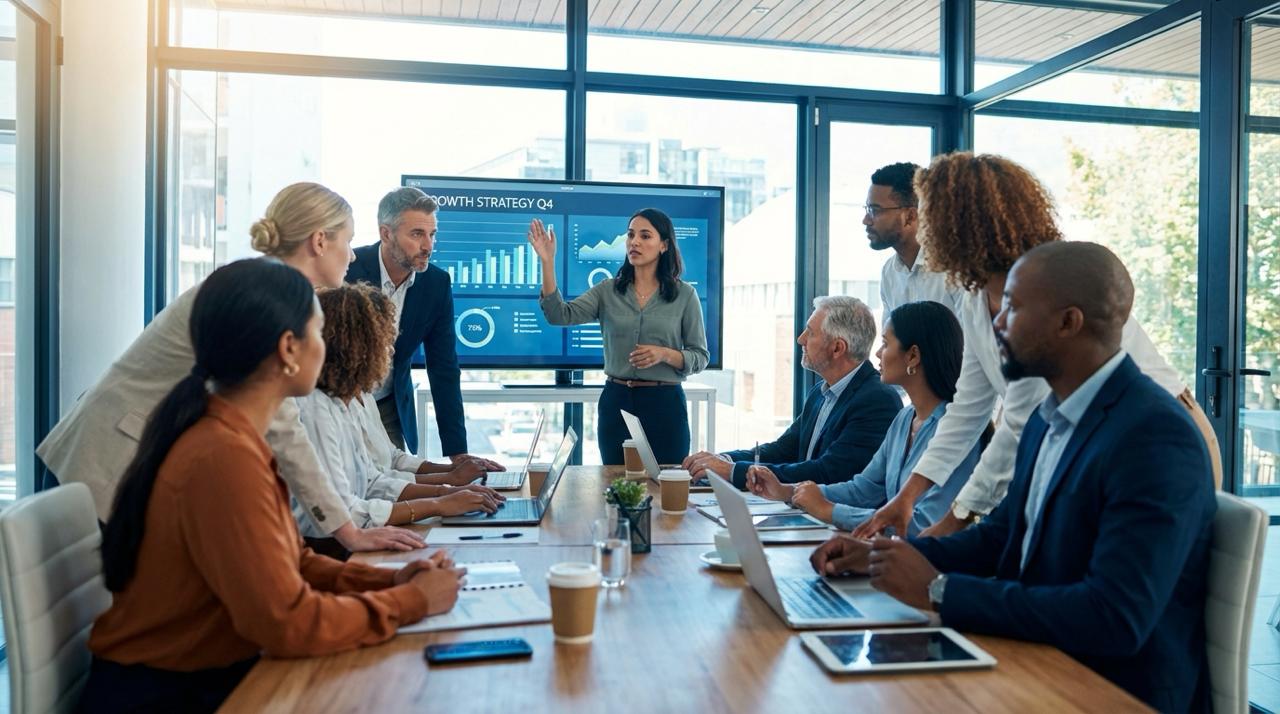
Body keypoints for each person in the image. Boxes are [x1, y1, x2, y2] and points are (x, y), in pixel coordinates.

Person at [809, 242, 1215, 712]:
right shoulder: (1048, 417)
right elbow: (1003, 535)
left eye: (1013, 308)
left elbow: (1114, 617)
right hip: (1037, 659)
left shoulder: (1155, 436)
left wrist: (939, 589)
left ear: (1069, 322)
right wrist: (888, 556)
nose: (996, 324)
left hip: (1108, 690)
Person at [81, 259, 466, 714]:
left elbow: (294, 561)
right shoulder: (222, 457)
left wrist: (389, 581)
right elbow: (288, 625)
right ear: (289, 348)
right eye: (319, 333)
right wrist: (409, 603)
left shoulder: (228, 433)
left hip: (199, 677)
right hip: (174, 695)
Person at [37, 182, 425, 553]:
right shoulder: (261, 296)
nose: (354, 255)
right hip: (107, 460)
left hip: (123, 458)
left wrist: (345, 527)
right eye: (347, 240)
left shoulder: (273, 289)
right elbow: (283, 425)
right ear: (320, 241)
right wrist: (348, 531)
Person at [855, 152, 1220, 539]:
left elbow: (1022, 418)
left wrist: (952, 522)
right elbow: (968, 409)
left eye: (931, 216)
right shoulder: (973, 296)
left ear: (964, 224)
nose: (923, 228)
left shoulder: (1045, 290)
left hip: (1154, 438)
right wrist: (909, 496)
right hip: (1087, 440)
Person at [746, 301, 978, 535]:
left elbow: (923, 524)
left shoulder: (955, 430)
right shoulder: (905, 419)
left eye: (885, 344)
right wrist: (787, 491)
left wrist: (829, 511)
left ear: (913, 356)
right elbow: (864, 489)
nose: (877, 353)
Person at [295, 283, 504, 544]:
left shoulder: (349, 399)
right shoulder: (316, 409)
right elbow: (346, 513)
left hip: (355, 537)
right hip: (331, 546)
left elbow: (373, 481)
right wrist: (439, 502)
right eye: (384, 342)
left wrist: (446, 490)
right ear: (356, 348)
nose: (391, 351)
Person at [529, 208, 709, 464]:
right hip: (617, 401)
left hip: (665, 404)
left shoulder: (685, 295)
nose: (634, 242)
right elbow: (560, 315)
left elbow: (700, 356)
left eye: (645, 236)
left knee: (667, 485)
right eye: (631, 235)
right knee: (616, 485)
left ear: (664, 245)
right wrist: (547, 262)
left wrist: (665, 354)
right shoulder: (608, 291)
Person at [346, 186, 501, 471]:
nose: (428, 245)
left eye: (432, 235)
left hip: (387, 406)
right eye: (417, 234)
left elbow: (443, 367)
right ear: (386, 233)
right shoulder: (348, 268)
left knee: (395, 485)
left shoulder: (436, 284)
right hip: (342, 403)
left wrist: (458, 454)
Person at [683, 296, 899, 488]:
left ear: (837, 348)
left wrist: (731, 471)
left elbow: (828, 473)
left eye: (811, 332)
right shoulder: (820, 392)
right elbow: (783, 451)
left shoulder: (877, 400)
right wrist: (723, 460)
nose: (800, 339)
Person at [865, 162, 964, 317]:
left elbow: (973, 339)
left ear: (910, 216)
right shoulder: (889, 272)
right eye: (867, 209)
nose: (866, 220)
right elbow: (891, 339)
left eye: (875, 210)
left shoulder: (956, 268)